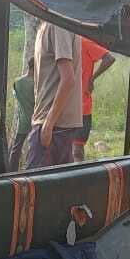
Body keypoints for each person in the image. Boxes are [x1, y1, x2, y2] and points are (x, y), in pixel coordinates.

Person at [23, 20, 82, 169]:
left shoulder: (57, 24)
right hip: (54, 125)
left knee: (35, 181)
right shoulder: (48, 25)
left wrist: (48, 124)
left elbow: (68, 80)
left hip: (53, 126)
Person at [73, 40, 115, 162]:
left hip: (82, 107)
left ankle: (78, 173)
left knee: (76, 150)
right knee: (67, 151)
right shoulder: (62, 42)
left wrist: (92, 79)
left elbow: (109, 58)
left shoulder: (83, 42)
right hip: (65, 106)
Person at [7, 57, 35, 171]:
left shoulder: (17, 82)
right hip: (35, 120)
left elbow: (15, 96)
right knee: (33, 148)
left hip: (22, 121)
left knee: (16, 148)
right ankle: (29, 169)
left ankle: (11, 171)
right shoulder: (36, 84)